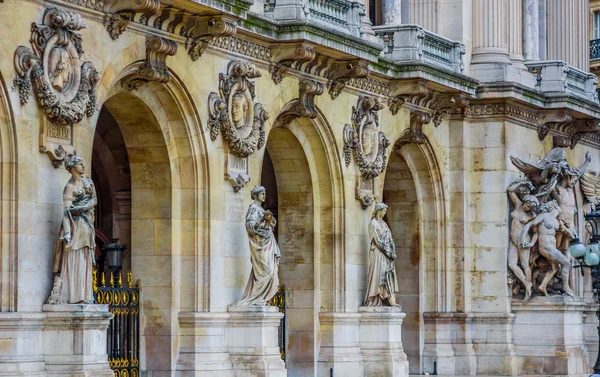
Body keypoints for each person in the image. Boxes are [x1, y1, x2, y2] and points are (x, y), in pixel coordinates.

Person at [51, 155, 96, 304]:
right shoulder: (69, 187)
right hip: (75, 224)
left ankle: (85, 294)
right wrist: (68, 233)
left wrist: (81, 207)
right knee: (74, 257)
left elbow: (94, 200)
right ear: (72, 168)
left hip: (86, 224)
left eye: (83, 163)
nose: (83, 166)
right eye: (80, 164)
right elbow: (66, 212)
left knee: (85, 257)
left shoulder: (88, 182)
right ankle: (74, 295)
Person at [235, 185, 281, 306]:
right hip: (259, 245)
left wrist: (269, 220)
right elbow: (250, 226)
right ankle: (256, 298)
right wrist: (263, 221)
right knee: (267, 271)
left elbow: (272, 224)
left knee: (272, 271)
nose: (264, 196)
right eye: (262, 194)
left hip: (268, 242)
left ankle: (262, 299)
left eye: (265, 194)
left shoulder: (261, 209)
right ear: (256, 195)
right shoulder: (253, 209)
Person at [520, 200, 574, 297]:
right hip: (546, 247)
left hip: (552, 248)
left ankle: (543, 286)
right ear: (554, 207)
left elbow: (566, 232)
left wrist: (575, 238)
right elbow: (528, 225)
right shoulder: (544, 216)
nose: (560, 210)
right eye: (558, 207)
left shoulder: (557, 221)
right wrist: (522, 240)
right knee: (566, 264)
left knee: (555, 268)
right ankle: (566, 287)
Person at [507, 180, 539, 300]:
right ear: (525, 202)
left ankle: (528, 289)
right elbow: (510, 190)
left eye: (530, 207)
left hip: (523, 241)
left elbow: (536, 232)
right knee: (512, 264)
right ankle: (526, 283)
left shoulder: (532, 215)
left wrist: (531, 243)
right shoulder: (518, 204)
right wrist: (522, 183)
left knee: (525, 265)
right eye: (527, 205)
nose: (527, 208)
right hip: (513, 240)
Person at [363, 202, 399, 307]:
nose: (384, 212)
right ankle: (375, 298)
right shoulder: (373, 223)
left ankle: (387, 298)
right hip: (378, 253)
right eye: (383, 210)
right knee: (378, 274)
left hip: (386, 254)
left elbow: (390, 239)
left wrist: (392, 252)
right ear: (378, 210)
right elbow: (377, 241)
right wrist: (388, 252)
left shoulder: (384, 224)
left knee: (387, 275)